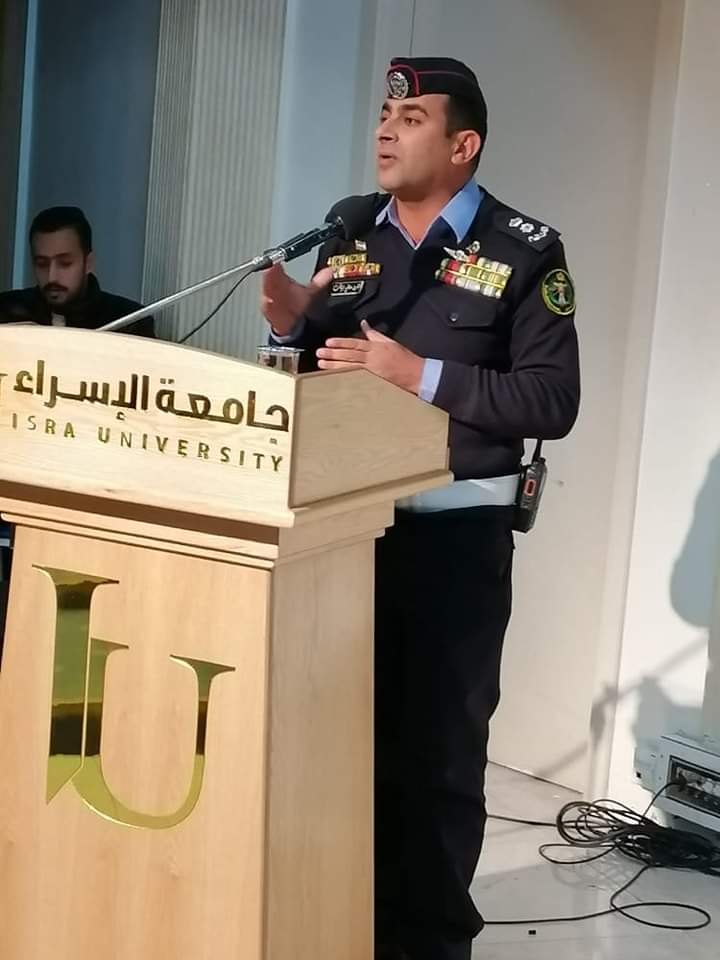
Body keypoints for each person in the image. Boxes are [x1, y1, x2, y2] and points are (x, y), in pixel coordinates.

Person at [260, 57, 580, 960]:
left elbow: (553, 400)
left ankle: (429, 944)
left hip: (454, 541)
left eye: (411, 117)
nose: (385, 129)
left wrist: (419, 374)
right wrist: (290, 324)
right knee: (340, 744)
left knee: (435, 758)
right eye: (384, 113)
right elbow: (323, 372)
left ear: (463, 144)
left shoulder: (524, 250)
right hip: (341, 534)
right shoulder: (351, 230)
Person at [0, 206, 154, 336]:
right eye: (42, 264)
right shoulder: (6, 310)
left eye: (65, 263)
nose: (51, 277)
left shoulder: (130, 321)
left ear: (88, 263)